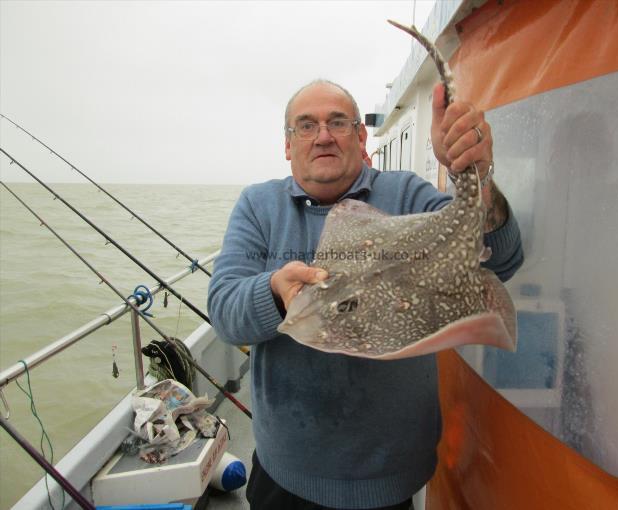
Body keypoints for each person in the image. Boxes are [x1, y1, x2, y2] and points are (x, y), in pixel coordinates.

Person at [207, 79, 523, 510]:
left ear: (360, 136)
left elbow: (500, 260)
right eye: (306, 125)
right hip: (286, 475)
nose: (322, 135)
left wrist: (475, 175)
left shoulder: (406, 195)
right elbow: (225, 313)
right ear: (287, 144)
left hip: (391, 478)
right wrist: (277, 293)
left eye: (337, 122)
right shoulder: (258, 205)